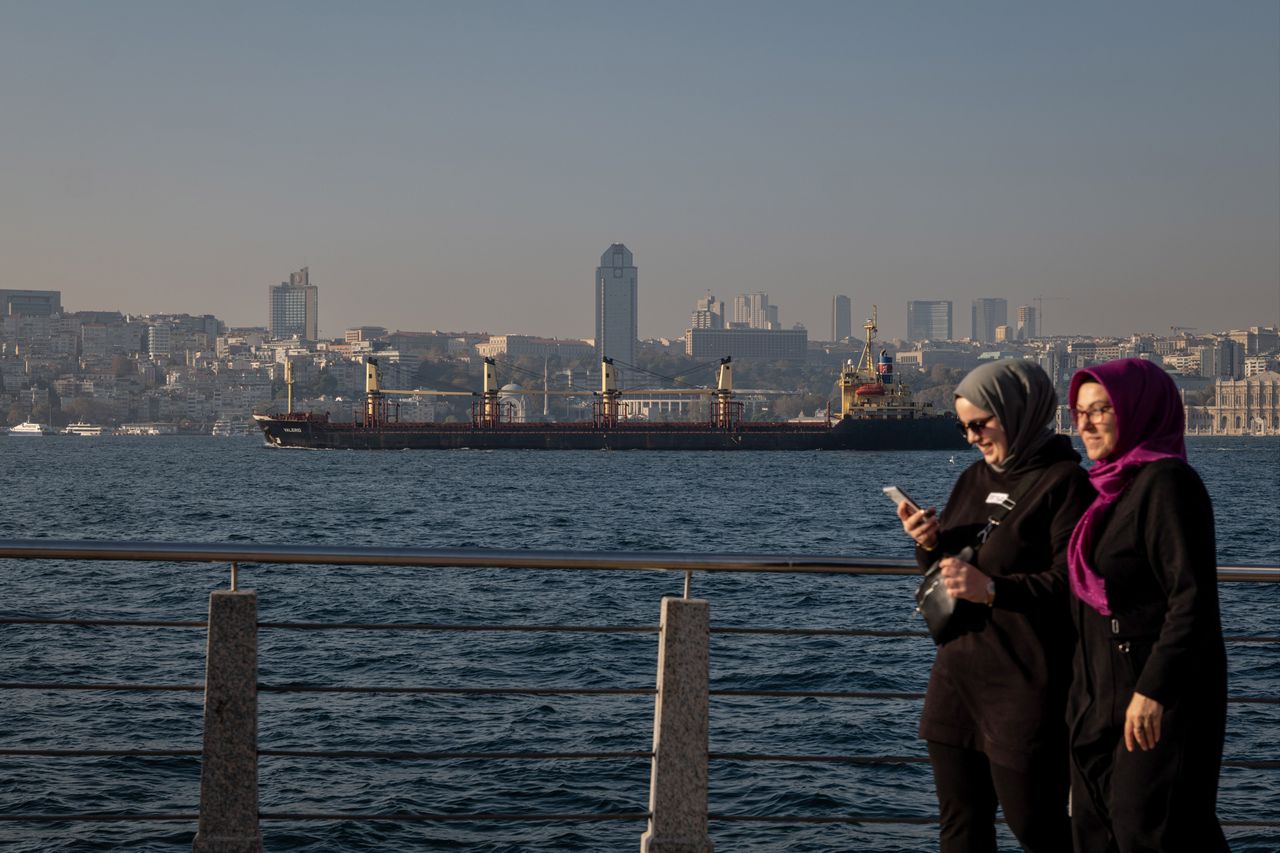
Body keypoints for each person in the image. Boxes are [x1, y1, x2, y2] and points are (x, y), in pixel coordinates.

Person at [897, 359, 1093, 853]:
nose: (971, 437)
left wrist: (994, 590)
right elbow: (953, 569)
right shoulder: (972, 479)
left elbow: (1073, 584)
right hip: (956, 682)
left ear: (1017, 413)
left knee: (1040, 827)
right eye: (963, 426)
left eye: (980, 424)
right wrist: (927, 543)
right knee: (960, 831)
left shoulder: (1065, 485)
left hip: (1024, 688)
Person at [1066, 358, 1228, 852]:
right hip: (1098, 699)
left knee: (1153, 834)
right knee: (1098, 833)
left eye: (1101, 410)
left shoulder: (1167, 485)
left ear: (1138, 410)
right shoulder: (1105, 491)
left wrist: (1154, 690)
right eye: (1079, 412)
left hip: (1152, 702)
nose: (1086, 423)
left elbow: (1192, 597)